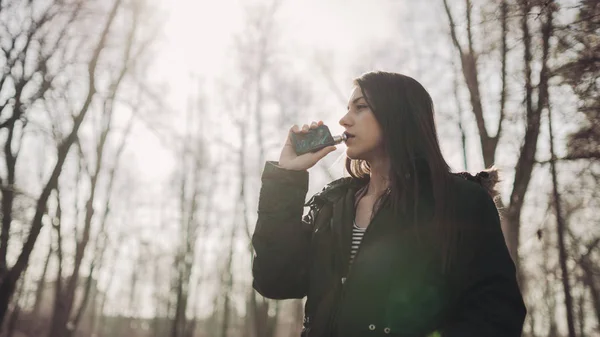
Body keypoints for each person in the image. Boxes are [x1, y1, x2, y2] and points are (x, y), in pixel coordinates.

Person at [251, 71, 526, 337]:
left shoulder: (459, 201)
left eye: (360, 107)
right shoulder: (334, 206)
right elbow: (275, 280)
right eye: (348, 108)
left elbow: (496, 313)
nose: (344, 120)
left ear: (398, 115)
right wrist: (287, 176)